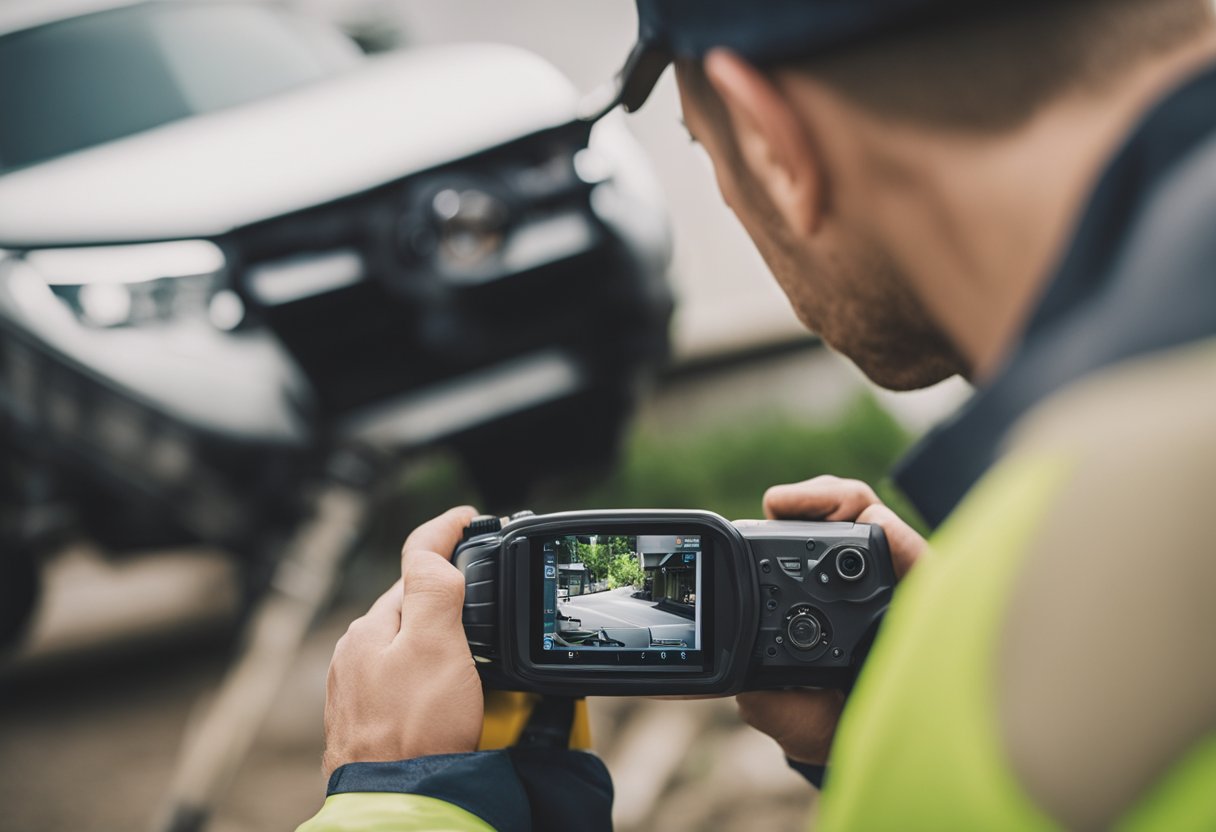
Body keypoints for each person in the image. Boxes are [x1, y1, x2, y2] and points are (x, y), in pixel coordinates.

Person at [299, 0, 1216, 828]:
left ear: (773, 144)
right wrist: (902, 721)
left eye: (703, 146)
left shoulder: (1062, 611)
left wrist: (401, 811)